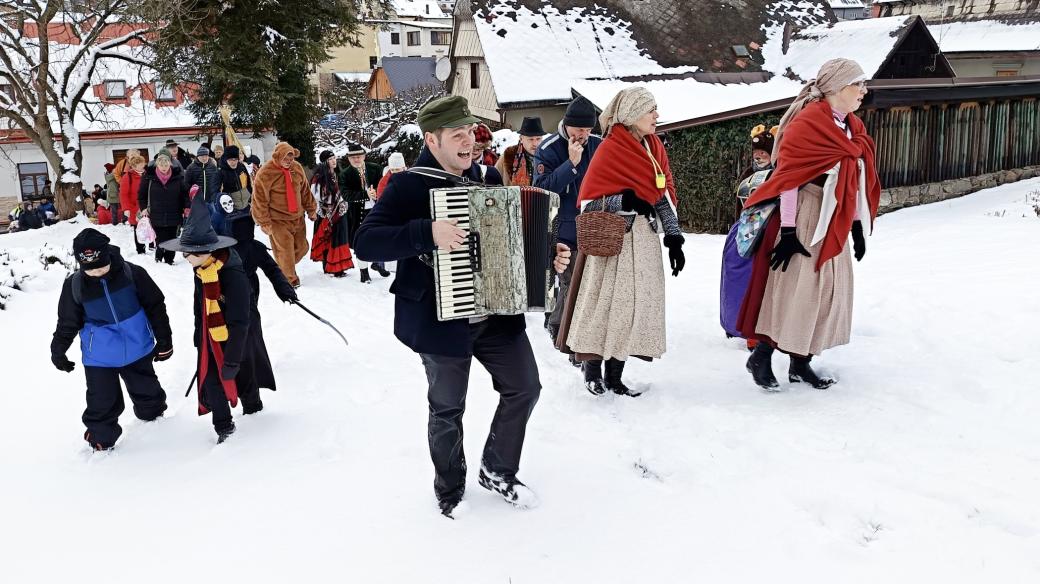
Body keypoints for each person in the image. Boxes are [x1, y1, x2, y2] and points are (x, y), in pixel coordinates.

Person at [354, 95, 570, 517]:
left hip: (495, 316)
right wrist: (426, 232)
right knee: (448, 408)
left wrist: (549, 258)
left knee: (525, 387)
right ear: (432, 140)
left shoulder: (488, 179)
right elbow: (365, 243)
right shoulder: (407, 186)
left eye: (470, 132)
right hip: (440, 321)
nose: (469, 141)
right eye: (457, 135)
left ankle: (497, 469)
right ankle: (450, 487)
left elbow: (508, 243)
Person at [736, 58, 880, 391]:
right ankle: (762, 355)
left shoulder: (852, 127)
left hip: (834, 216)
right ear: (838, 87)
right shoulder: (807, 124)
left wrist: (856, 226)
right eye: (858, 84)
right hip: (805, 213)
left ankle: (801, 363)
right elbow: (789, 178)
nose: (864, 91)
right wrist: (788, 231)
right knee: (795, 289)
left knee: (826, 291)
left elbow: (849, 180)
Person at [555, 87, 685, 397]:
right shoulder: (610, 150)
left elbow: (661, 195)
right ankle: (592, 369)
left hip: (645, 242)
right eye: (650, 110)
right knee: (604, 307)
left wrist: (674, 237)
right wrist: (624, 200)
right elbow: (589, 204)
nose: (656, 115)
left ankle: (615, 375)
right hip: (612, 243)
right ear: (631, 114)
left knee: (633, 309)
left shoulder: (654, 147)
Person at [50, 229, 173, 451]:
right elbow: (67, 322)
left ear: (108, 255)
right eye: (90, 269)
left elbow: (156, 306)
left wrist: (164, 340)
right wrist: (58, 351)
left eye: (100, 267)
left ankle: (154, 417)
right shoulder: (75, 286)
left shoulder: (132, 274)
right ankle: (101, 438)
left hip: (137, 346)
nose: (96, 272)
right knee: (101, 400)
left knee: (146, 386)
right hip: (100, 356)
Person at [160, 195, 251, 443]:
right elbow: (198, 304)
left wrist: (232, 358)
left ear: (204, 251)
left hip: (235, 338)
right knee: (211, 381)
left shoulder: (233, 275)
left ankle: (254, 409)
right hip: (208, 337)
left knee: (242, 377)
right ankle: (224, 427)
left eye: (187, 254)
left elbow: (241, 320)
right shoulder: (201, 269)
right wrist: (198, 332)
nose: (185, 258)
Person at [534, 96, 602, 355]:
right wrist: (570, 165)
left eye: (588, 129)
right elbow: (541, 190)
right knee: (571, 281)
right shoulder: (548, 148)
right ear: (567, 124)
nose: (583, 134)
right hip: (562, 227)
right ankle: (561, 330)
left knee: (588, 283)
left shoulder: (598, 145)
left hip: (592, 225)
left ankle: (577, 332)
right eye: (579, 129)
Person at [218, 209, 298, 413]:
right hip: (231, 298)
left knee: (247, 339)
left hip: (243, 297)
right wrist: (285, 290)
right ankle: (243, 393)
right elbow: (272, 270)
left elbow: (272, 270)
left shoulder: (242, 248)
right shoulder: (229, 249)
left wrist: (286, 290)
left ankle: (249, 396)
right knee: (243, 340)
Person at [721, 124, 778, 349]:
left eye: (764, 152)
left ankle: (756, 331)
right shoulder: (747, 175)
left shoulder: (778, 174)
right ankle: (733, 323)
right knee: (734, 278)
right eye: (756, 153)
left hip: (767, 233)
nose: (759, 156)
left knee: (758, 281)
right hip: (743, 232)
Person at [251, 141, 316, 288]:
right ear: (277, 156)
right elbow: (259, 199)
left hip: (298, 218)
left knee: (303, 247)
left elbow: (305, 191)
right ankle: (289, 279)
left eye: (291, 158)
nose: (288, 161)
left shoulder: (297, 168)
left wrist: (311, 209)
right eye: (285, 159)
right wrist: (264, 221)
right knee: (285, 251)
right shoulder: (265, 172)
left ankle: (283, 265)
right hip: (277, 220)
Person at [338, 142, 388, 283]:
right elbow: (346, 195)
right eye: (353, 157)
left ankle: (378, 263)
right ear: (349, 159)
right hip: (356, 215)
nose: (356, 159)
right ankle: (364, 272)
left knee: (380, 237)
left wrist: (377, 193)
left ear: (364, 156)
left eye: (359, 156)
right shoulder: (344, 174)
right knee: (360, 243)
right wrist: (366, 194)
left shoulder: (375, 168)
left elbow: (384, 185)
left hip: (376, 210)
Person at [139, 149, 190, 265]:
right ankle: (159, 256)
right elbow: (141, 195)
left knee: (172, 237)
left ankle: (169, 260)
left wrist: (187, 207)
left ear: (170, 163)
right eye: (161, 164)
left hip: (174, 212)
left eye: (166, 164)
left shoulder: (177, 176)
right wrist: (143, 208)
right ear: (157, 164)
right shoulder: (149, 176)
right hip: (156, 213)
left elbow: (184, 194)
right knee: (161, 237)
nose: (164, 167)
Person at [309, 150, 354, 277]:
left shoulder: (340, 174)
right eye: (330, 159)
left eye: (334, 158)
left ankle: (338, 268)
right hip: (326, 213)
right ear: (324, 162)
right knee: (327, 240)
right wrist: (322, 211)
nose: (334, 161)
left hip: (341, 212)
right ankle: (328, 267)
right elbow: (315, 196)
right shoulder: (319, 178)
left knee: (340, 240)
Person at [496, 117, 544, 187]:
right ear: (521, 139)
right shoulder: (508, 156)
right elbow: (493, 181)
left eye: (538, 139)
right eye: (530, 139)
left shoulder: (547, 157)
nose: (535, 144)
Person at [119, 154, 147, 254]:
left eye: (143, 163)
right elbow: (123, 194)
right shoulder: (128, 177)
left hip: (148, 205)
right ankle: (140, 249)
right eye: (140, 164)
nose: (142, 165)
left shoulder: (147, 174)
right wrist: (126, 208)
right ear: (134, 166)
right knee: (138, 228)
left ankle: (153, 245)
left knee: (150, 225)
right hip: (135, 208)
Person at [219, 145, 252, 210]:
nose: (233, 162)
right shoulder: (221, 172)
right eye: (230, 160)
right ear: (226, 159)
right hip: (231, 207)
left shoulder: (242, 167)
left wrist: (251, 196)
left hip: (246, 205)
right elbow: (216, 191)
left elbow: (248, 183)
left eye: (235, 159)